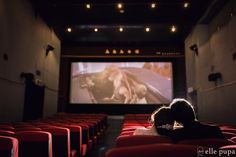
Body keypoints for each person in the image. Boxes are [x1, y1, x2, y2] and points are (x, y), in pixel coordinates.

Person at [157, 98, 225, 143]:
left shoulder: (175, 135)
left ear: (176, 119)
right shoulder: (215, 130)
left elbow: (160, 130)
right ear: (192, 112)